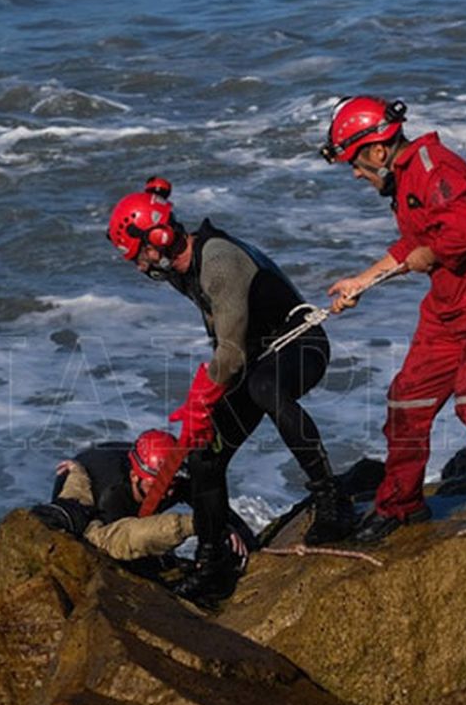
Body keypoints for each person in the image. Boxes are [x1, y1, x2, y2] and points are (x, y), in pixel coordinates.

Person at [106, 178, 355, 607]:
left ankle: (331, 497)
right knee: (205, 455)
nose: (141, 268)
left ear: (160, 238)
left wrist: (205, 392)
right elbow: (228, 344)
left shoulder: (218, 260)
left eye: (140, 256)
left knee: (264, 388)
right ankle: (213, 561)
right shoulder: (178, 270)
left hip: (298, 343)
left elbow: (233, 351)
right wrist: (206, 399)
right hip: (252, 360)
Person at [321, 96, 466, 543]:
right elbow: (412, 244)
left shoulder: (433, 167)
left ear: (377, 151)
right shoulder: (407, 178)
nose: (355, 173)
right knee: (406, 401)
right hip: (451, 302)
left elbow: (462, 233)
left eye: (355, 162)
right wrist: (361, 281)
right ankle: (402, 505)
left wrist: (428, 254)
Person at [31, 429, 253, 580]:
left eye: (171, 484)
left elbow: (214, 507)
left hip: (124, 461)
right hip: (87, 488)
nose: (167, 491)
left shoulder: (173, 481)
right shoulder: (112, 497)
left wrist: (232, 531)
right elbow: (122, 542)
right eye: (158, 485)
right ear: (135, 477)